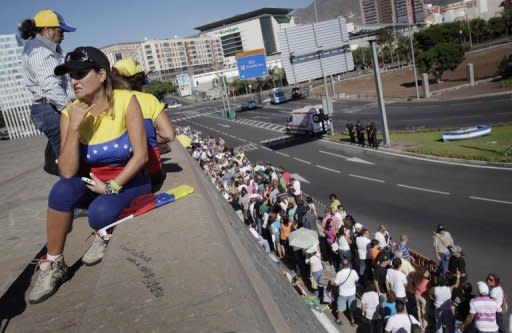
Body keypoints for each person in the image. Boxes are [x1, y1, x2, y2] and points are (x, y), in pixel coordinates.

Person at [27, 47, 152, 304]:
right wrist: (73, 128)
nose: (74, 81)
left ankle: (103, 231)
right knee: (61, 191)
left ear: (102, 74)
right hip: (93, 180)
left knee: (99, 214)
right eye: (70, 76)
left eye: (81, 74)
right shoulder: (69, 112)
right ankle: (53, 264)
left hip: (130, 179)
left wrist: (111, 187)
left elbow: (141, 156)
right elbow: (69, 172)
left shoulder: (127, 101)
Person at [19, 9, 76, 174]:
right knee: (69, 161)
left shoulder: (48, 48)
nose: (63, 35)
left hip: (51, 108)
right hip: (50, 108)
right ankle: (71, 194)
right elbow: (50, 85)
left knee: (65, 152)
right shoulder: (39, 50)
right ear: (47, 29)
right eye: (60, 31)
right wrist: (70, 111)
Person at [112, 58, 175, 192]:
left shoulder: (108, 101)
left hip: (119, 177)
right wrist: (149, 138)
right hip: (152, 175)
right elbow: (168, 135)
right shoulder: (148, 99)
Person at [335, 258, 359, 326]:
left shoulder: (339, 273)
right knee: (351, 308)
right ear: (349, 264)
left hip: (342, 293)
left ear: (342, 265)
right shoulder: (353, 272)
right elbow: (357, 280)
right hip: (352, 293)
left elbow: (336, 284)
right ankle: (352, 321)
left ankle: (339, 320)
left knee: (341, 308)